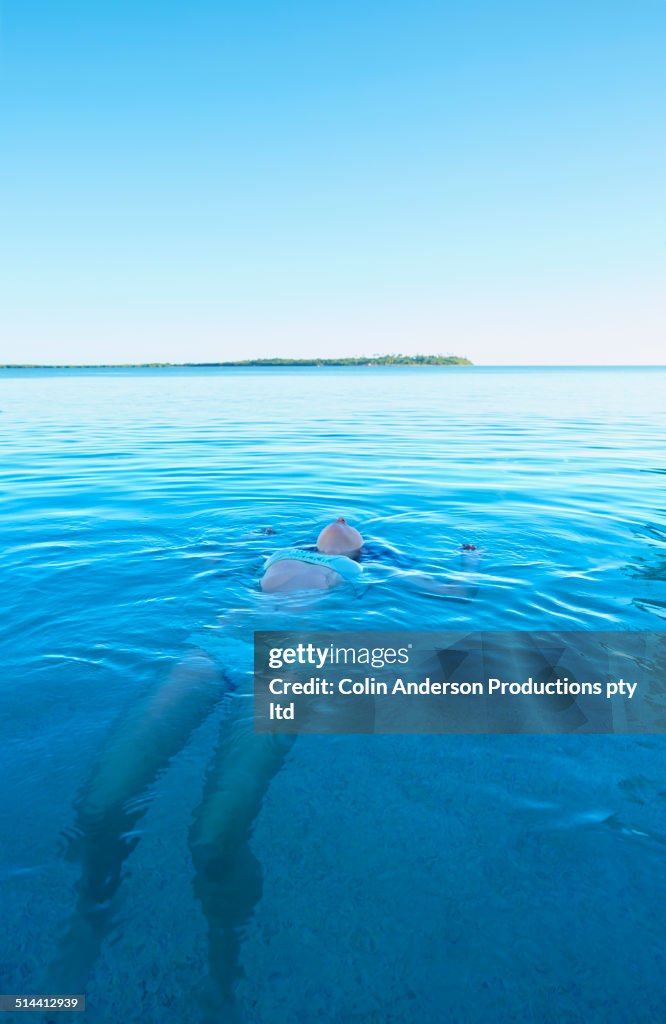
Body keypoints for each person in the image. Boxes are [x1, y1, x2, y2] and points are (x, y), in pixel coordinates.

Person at [47, 517, 478, 1020]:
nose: (340, 520)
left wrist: (469, 559)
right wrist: (251, 540)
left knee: (215, 836)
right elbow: (202, 561)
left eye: (349, 524)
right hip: (214, 645)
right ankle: (89, 917)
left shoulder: (373, 568)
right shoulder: (289, 553)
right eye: (336, 520)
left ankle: (222, 970)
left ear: (361, 549)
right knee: (102, 803)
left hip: (289, 661)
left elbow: (457, 592)